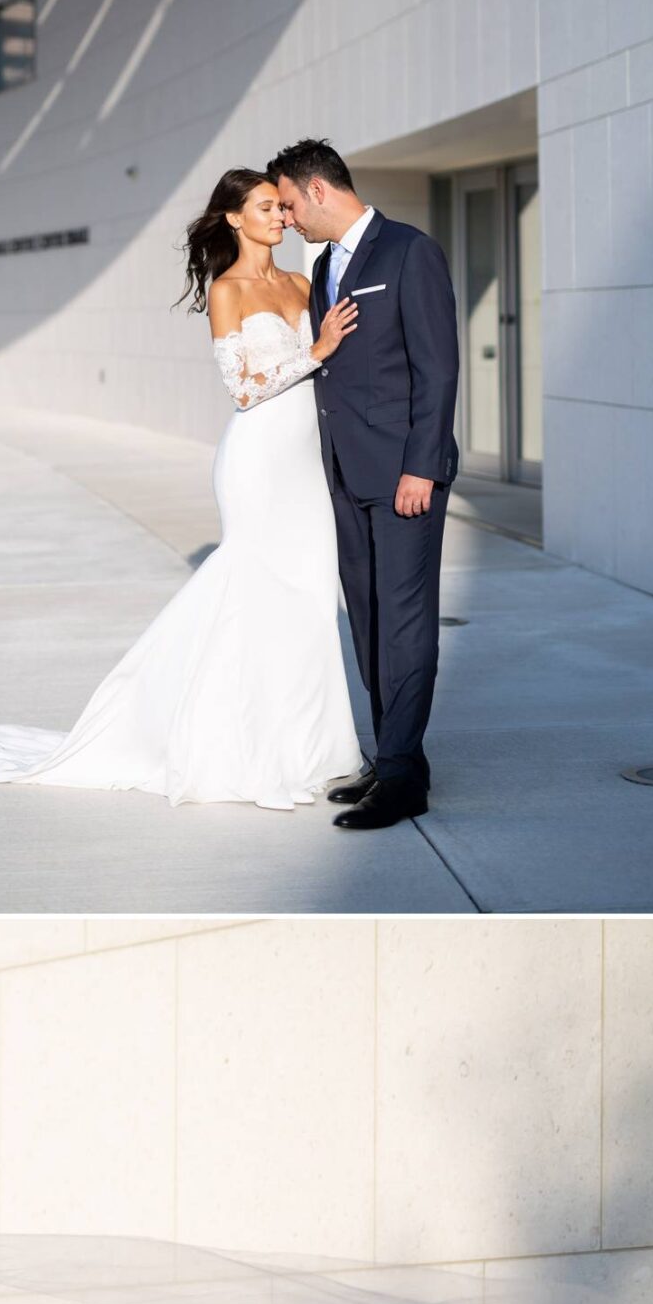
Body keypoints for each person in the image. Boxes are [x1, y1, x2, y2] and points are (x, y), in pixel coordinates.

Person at [0, 167, 363, 809]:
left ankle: (312, 748)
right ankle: (231, 746)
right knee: (253, 591)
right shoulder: (228, 289)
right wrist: (316, 350)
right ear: (235, 218)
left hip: (306, 465)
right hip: (257, 463)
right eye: (267, 207)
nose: (281, 217)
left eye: (282, 209)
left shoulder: (301, 282)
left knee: (311, 599)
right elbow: (242, 388)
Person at [266, 138, 459, 831]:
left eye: (288, 203)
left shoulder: (410, 252)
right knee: (372, 622)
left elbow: (438, 371)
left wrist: (422, 465)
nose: (286, 218)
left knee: (405, 625)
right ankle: (397, 756)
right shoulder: (323, 270)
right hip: (345, 477)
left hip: (403, 475)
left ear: (319, 190)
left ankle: (404, 780)